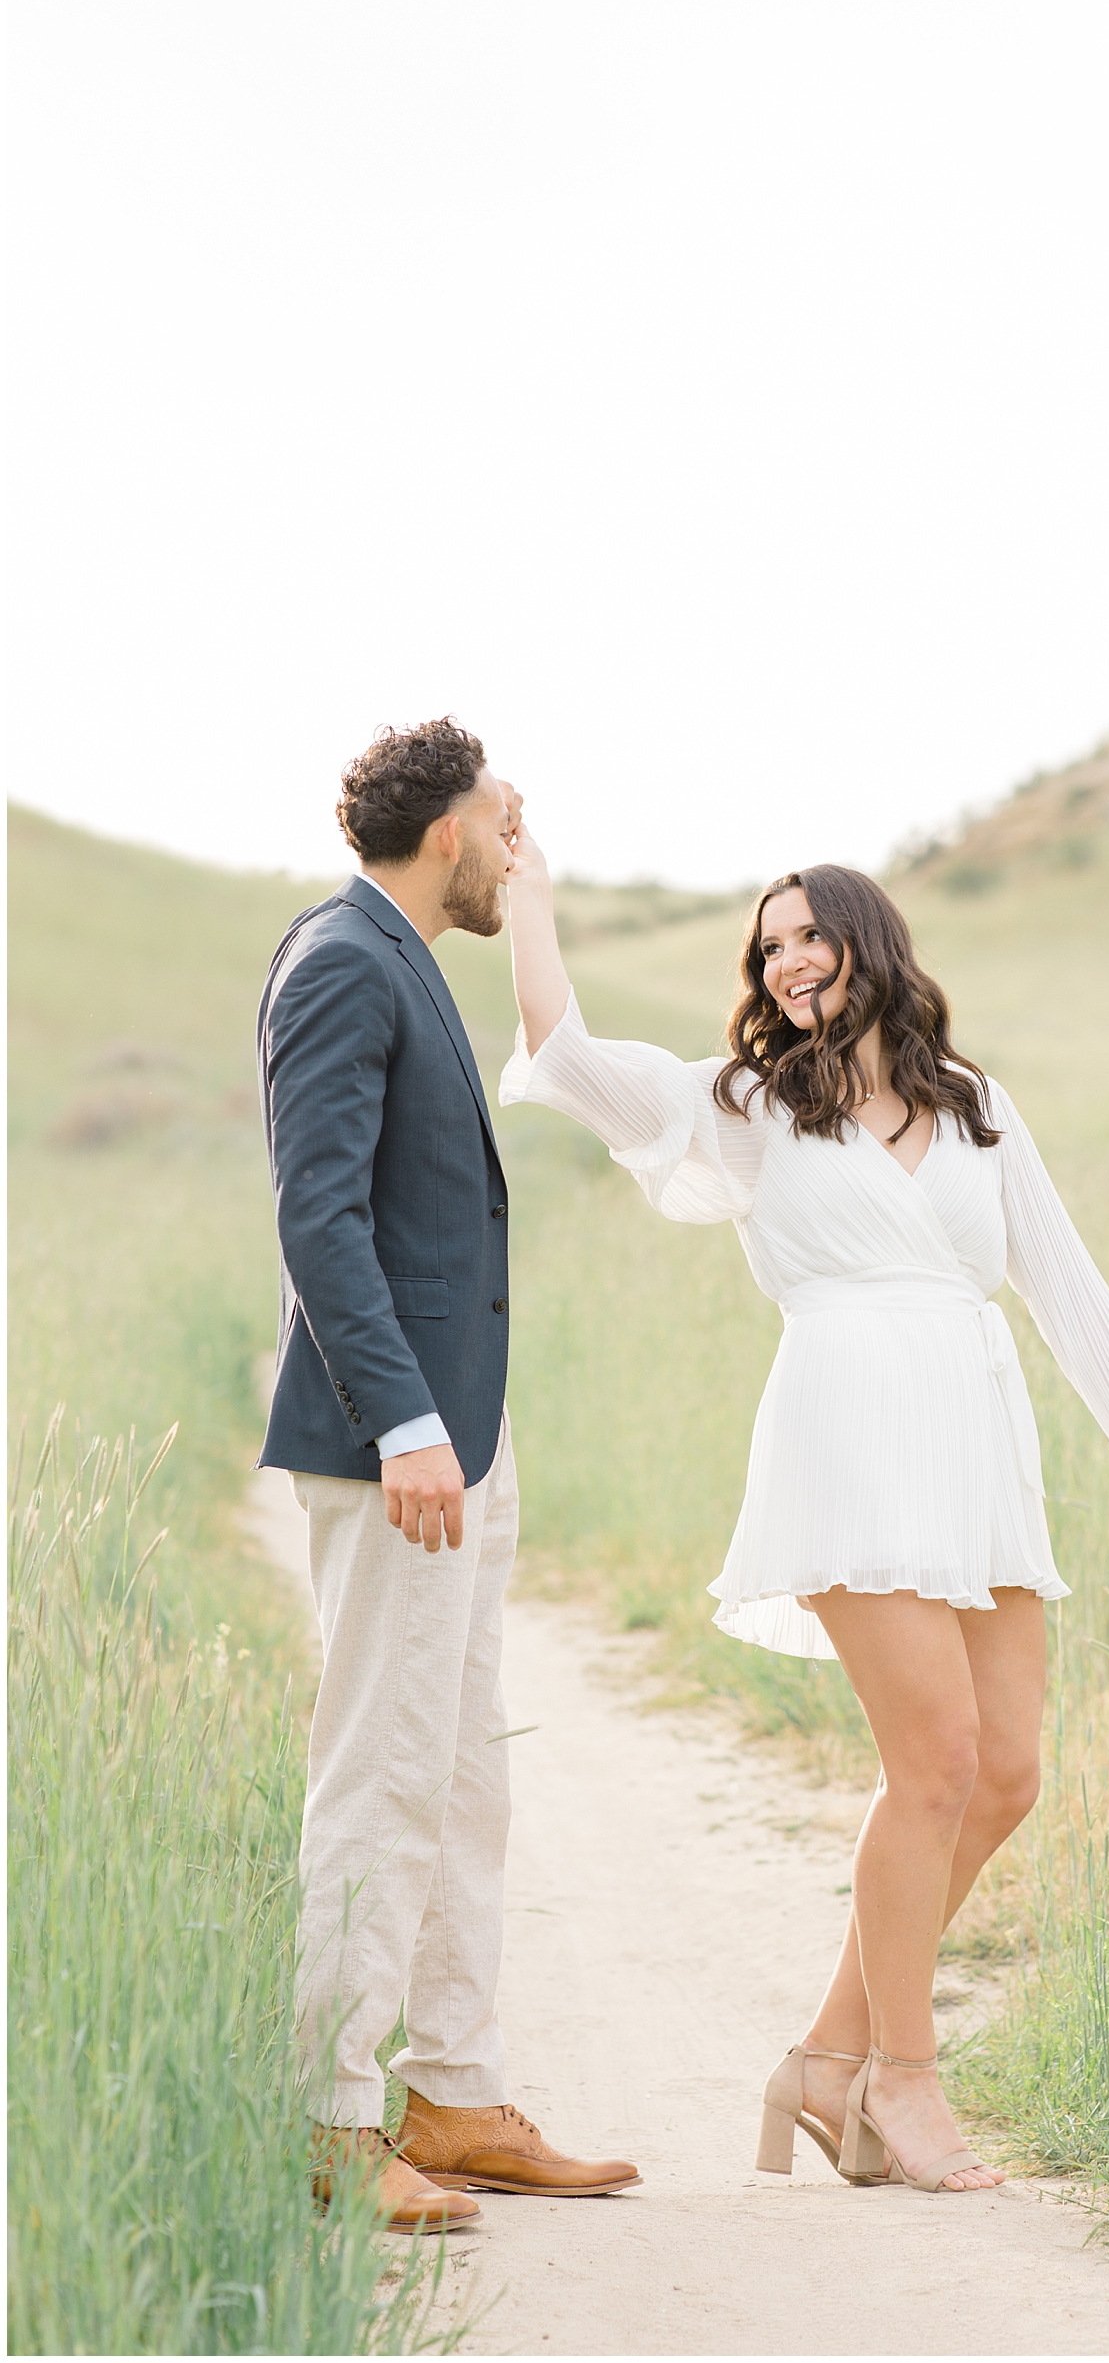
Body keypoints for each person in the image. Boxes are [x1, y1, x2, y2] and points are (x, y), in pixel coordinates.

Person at [499, 844, 1109, 2195]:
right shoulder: (755, 1104)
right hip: (845, 1438)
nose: (787, 961)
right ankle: (904, 2079)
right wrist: (531, 899)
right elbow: (571, 1054)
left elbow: (1064, 1282)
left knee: (1004, 1775)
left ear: (868, 943)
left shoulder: (981, 1106)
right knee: (934, 1757)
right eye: (768, 947)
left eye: (807, 935)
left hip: (975, 1445)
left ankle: (826, 2055)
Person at [256, 719, 639, 2233]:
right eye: (503, 818)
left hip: (461, 1445)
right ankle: (338, 2119)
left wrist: (455, 1430)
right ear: (445, 832)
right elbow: (318, 1214)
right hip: (400, 1447)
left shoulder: (399, 949)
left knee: (464, 1772)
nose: (516, 841)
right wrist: (407, 1419)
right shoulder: (346, 956)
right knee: (384, 1770)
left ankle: (457, 2093)